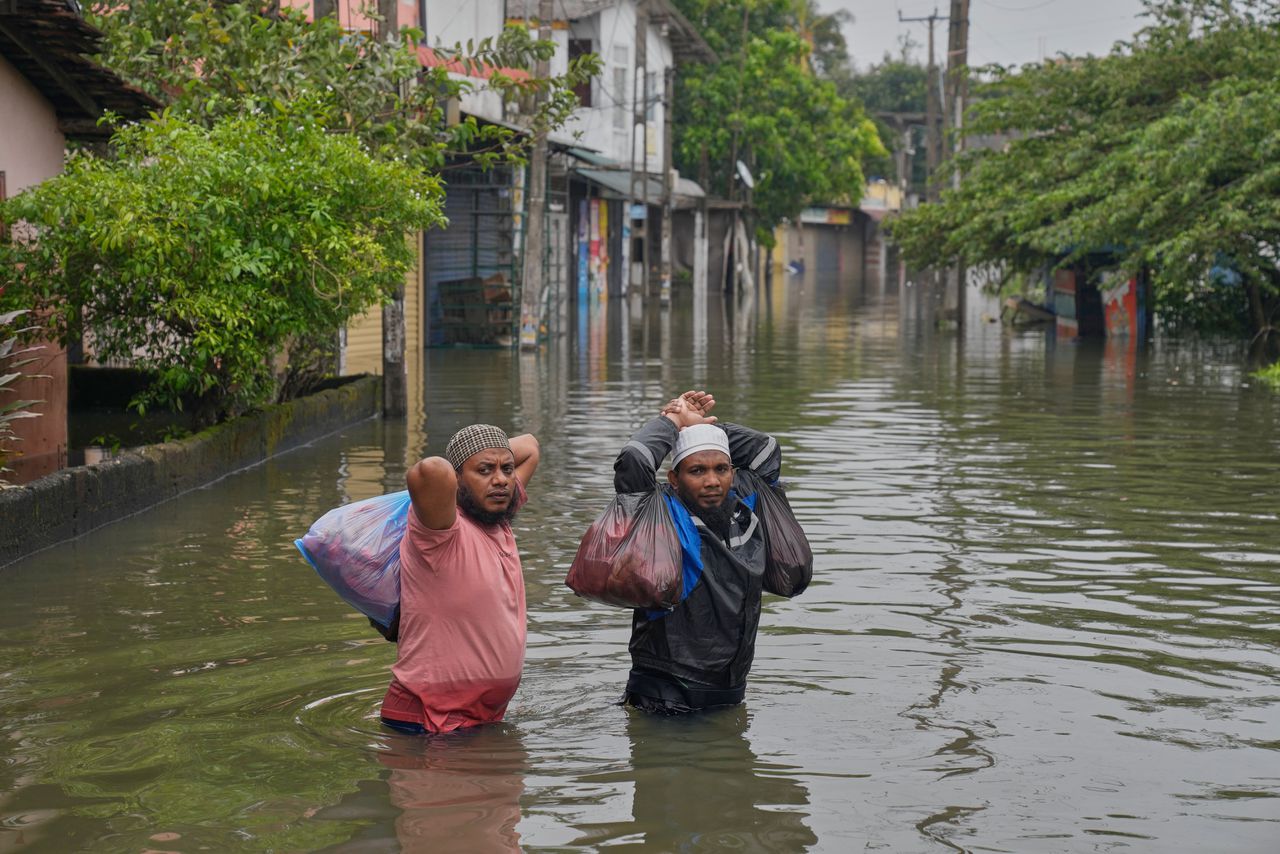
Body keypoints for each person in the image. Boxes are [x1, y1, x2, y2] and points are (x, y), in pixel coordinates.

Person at [612, 390, 806, 714]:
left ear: (732, 472)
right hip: (667, 697)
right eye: (697, 471)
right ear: (674, 478)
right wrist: (672, 423)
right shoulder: (660, 514)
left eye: (721, 468)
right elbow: (633, 460)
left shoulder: (743, 503)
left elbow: (766, 449)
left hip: (729, 693)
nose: (712, 481)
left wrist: (701, 427)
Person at [380, 424, 540, 734]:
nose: (502, 480)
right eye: (484, 470)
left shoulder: (500, 519)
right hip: (426, 724)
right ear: (455, 481)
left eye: (508, 470)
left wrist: (487, 452)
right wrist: (472, 451)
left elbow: (531, 446)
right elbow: (430, 470)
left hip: (481, 721)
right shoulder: (441, 531)